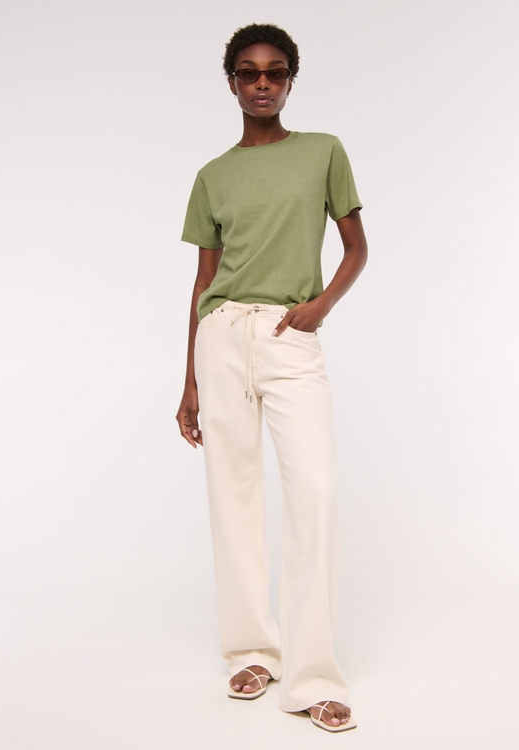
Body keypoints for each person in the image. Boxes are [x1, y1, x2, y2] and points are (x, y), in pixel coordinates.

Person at [176, 23, 367, 733]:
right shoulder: (212, 175)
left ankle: (312, 676)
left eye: (276, 72)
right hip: (222, 339)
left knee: (314, 493)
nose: (263, 83)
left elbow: (356, 247)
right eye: (250, 72)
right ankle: (252, 650)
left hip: (291, 338)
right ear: (231, 82)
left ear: (290, 80)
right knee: (233, 496)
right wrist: (189, 382)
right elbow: (203, 283)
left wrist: (321, 307)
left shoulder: (323, 152)